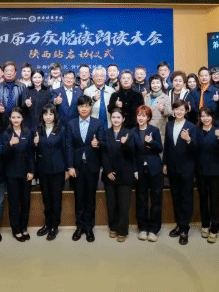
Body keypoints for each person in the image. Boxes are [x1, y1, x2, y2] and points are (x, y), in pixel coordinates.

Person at [67, 94, 106, 242]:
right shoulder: (71, 124)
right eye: (81, 106)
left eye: (87, 106)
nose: (84, 109)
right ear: (78, 108)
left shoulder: (98, 123)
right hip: (76, 167)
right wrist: (70, 166)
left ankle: (89, 228)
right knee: (79, 198)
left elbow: (103, 142)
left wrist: (98, 144)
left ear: (90, 107)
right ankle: (79, 227)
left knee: (90, 198)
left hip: (92, 166)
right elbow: (69, 146)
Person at [34, 104, 74, 241]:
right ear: (42, 116)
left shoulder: (62, 129)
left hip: (58, 170)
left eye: (51, 114)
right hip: (43, 170)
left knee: (56, 199)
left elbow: (67, 149)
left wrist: (68, 168)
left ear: (55, 116)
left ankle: (54, 226)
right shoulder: (38, 129)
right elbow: (34, 151)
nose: (48, 117)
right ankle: (47, 223)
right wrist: (35, 144)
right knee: (46, 199)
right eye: (45, 114)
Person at [162, 99, 198, 245]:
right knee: (175, 197)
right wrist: (165, 163)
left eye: (182, 109)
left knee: (186, 198)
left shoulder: (192, 127)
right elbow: (167, 145)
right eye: (176, 109)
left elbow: (196, 148)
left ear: (186, 111)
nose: (179, 111)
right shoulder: (169, 124)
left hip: (187, 169)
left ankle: (184, 229)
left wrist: (188, 139)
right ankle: (178, 225)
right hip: (172, 168)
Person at [101, 108, 138, 242]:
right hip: (109, 174)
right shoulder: (106, 133)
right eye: (113, 117)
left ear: (123, 119)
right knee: (111, 204)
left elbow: (132, 154)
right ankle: (113, 227)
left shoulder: (129, 133)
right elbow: (103, 153)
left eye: (118, 117)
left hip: (125, 174)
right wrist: (108, 171)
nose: (116, 120)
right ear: (110, 119)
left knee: (123, 205)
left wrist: (125, 144)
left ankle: (122, 230)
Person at [132, 106, 163, 242]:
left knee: (156, 200)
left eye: (144, 116)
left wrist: (152, 142)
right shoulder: (132, 132)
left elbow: (160, 148)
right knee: (141, 199)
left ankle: (154, 229)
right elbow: (132, 154)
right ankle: (143, 228)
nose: (141, 118)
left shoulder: (154, 130)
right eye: (139, 115)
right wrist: (134, 170)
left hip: (155, 169)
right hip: (140, 170)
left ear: (148, 117)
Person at [4, 108, 35, 241]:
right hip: (11, 174)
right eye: (13, 117)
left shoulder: (28, 132)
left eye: (18, 117)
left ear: (22, 118)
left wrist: (31, 171)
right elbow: (3, 155)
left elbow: (30, 153)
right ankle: (16, 229)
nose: (16, 120)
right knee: (14, 203)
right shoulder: (5, 134)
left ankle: (23, 227)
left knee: (25, 202)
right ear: (10, 119)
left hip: (26, 174)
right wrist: (10, 144)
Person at [196, 107, 219, 244]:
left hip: (215, 172)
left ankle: (214, 228)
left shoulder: (218, 131)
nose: (205, 119)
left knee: (214, 201)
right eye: (203, 116)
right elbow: (194, 150)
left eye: (208, 116)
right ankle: (205, 224)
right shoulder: (196, 131)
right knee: (203, 199)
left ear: (212, 117)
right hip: (200, 171)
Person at [0, 61, 26, 130]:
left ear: (15, 72)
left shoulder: (22, 86)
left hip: (17, 121)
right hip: (2, 119)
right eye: (7, 71)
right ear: (3, 72)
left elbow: (23, 104)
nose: (9, 73)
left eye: (11, 71)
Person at [144, 74, 171, 141]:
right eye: (153, 83)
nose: (155, 85)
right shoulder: (146, 96)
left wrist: (163, 110)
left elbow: (170, 113)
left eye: (158, 83)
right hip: (146, 128)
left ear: (161, 84)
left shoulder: (165, 97)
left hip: (159, 129)